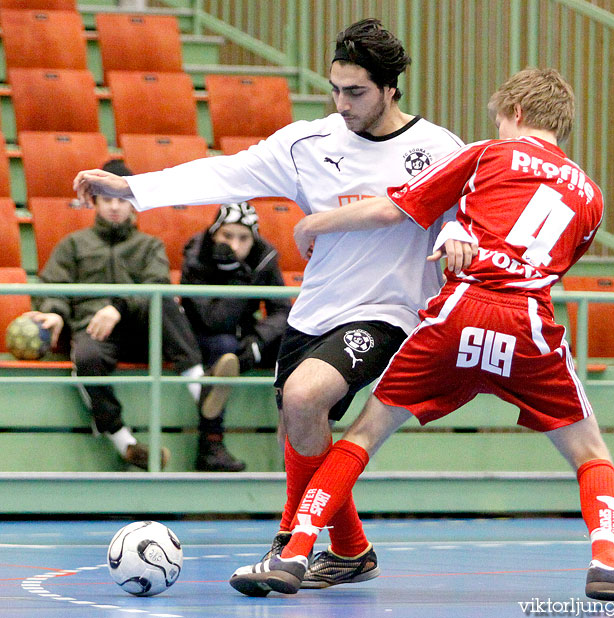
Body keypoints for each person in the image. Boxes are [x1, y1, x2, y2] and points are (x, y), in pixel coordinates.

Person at [227, 68, 614, 603]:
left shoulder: (488, 153)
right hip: (528, 324)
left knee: (364, 435)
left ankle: (296, 552)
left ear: (514, 114)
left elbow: (394, 208)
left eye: (498, 120)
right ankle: (607, 561)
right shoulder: (592, 197)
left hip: (460, 312)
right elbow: (546, 264)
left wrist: (313, 225)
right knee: (590, 453)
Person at [73, 19, 466, 588]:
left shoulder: (435, 148)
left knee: (306, 398)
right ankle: (351, 550)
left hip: (389, 311)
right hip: (315, 310)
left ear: (390, 88)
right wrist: (135, 189)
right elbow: (225, 174)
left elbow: (472, 213)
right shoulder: (310, 143)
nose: (342, 102)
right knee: (297, 421)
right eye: (335, 88)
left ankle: (289, 544)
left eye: (355, 91)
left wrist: (464, 237)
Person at [29, 160, 242, 472]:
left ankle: (203, 390)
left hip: (144, 331)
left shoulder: (149, 246)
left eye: (122, 200)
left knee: (165, 301)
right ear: (95, 202)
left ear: (134, 204)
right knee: (85, 355)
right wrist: (55, 314)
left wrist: (117, 307)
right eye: (107, 199)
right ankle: (126, 444)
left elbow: (155, 284)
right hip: (95, 331)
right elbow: (51, 288)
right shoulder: (73, 245)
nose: (115, 207)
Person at [181, 201, 291, 466]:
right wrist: (237, 277)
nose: (235, 245)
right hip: (201, 334)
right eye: (227, 236)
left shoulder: (264, 255)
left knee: (294, 346)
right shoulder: (197, 254)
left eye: (243, 238)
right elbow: (214, 320)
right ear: (214, 234)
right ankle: (211, 445)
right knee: (224, 345)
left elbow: (283, 311)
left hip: (246, 331)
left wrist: (258, 343)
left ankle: (293, 442)